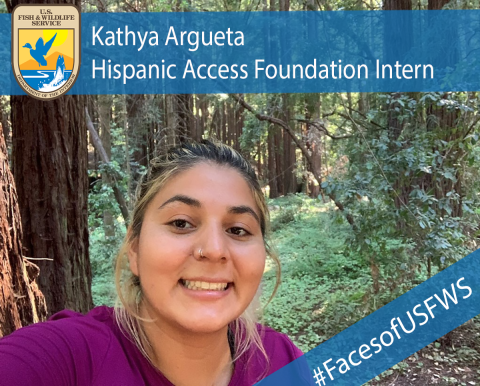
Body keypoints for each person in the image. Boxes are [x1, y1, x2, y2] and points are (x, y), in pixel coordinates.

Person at [0, 140, 303, 386]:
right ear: (134, 248)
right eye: (182, 223)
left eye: (238, 230)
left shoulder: (282, 361)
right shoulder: (68, 359)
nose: (213, 250)